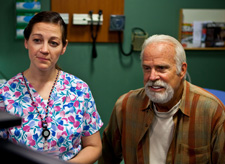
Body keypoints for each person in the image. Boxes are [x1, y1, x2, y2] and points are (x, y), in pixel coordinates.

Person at [99, 34, 225, 164]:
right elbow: (107, 157)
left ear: (182, 70)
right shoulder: (126, 106)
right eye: (147, 68)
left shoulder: (211, 111)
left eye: (161, 68)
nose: (152, 77)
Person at [0, 11, 103, 163]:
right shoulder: (5, 94)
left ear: (63, 47)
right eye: (37, 40)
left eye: (53, 43)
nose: (44, 49)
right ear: (26, 41)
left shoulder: (79, 90)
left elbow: (94, 146)